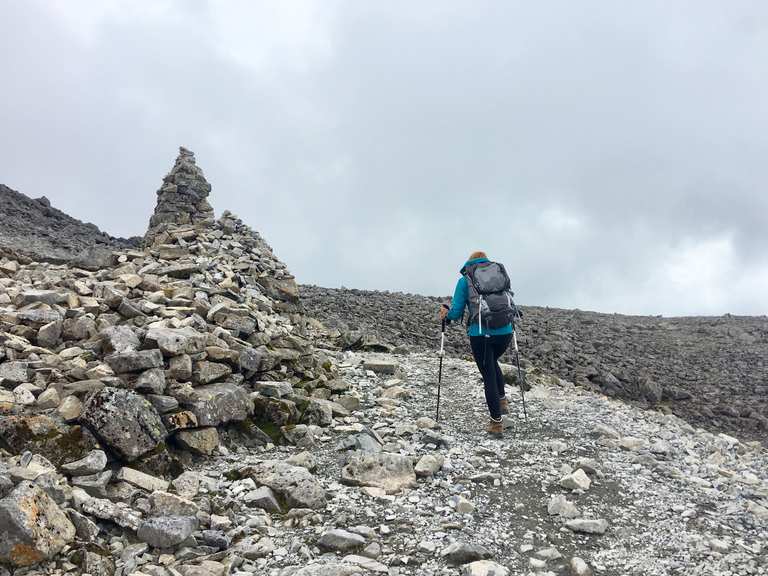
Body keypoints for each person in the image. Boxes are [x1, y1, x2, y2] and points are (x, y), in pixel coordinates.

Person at [439, 251, 514, 436]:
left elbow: (456, 312)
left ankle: (496, 423)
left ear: (470, 263)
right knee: (493, 361)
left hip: (480, 333)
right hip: (506, 330)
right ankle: (502, 401)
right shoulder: (499, 273)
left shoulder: (466, 280)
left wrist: (445, 314)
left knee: (487, 372)